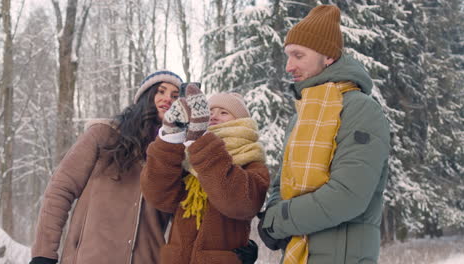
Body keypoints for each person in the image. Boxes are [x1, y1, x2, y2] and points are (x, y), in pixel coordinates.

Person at [257, 4, 390, 264]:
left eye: (298, 55)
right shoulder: (302, 114)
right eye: (287, 56)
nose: (288, 66)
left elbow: (348, 195)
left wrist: (277, 221)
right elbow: (282, 183)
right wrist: (272, 212)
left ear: (328, 56)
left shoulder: (360, 109)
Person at [29, 70, 183, 264]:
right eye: (161, 91)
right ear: (146, 96)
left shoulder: (177, 157)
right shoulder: (104, 135)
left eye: (175, 96)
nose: (167, 99)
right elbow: (60, 189)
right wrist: (43, 253)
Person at [140, 88, 270, 264]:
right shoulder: (188, 158)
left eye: (224, 112)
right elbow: (158, 196)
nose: (214, 116)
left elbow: (239, 204)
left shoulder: (252, 161)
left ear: (241, 122)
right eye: (209, 112)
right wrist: (170, 135)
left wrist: (201, 141)